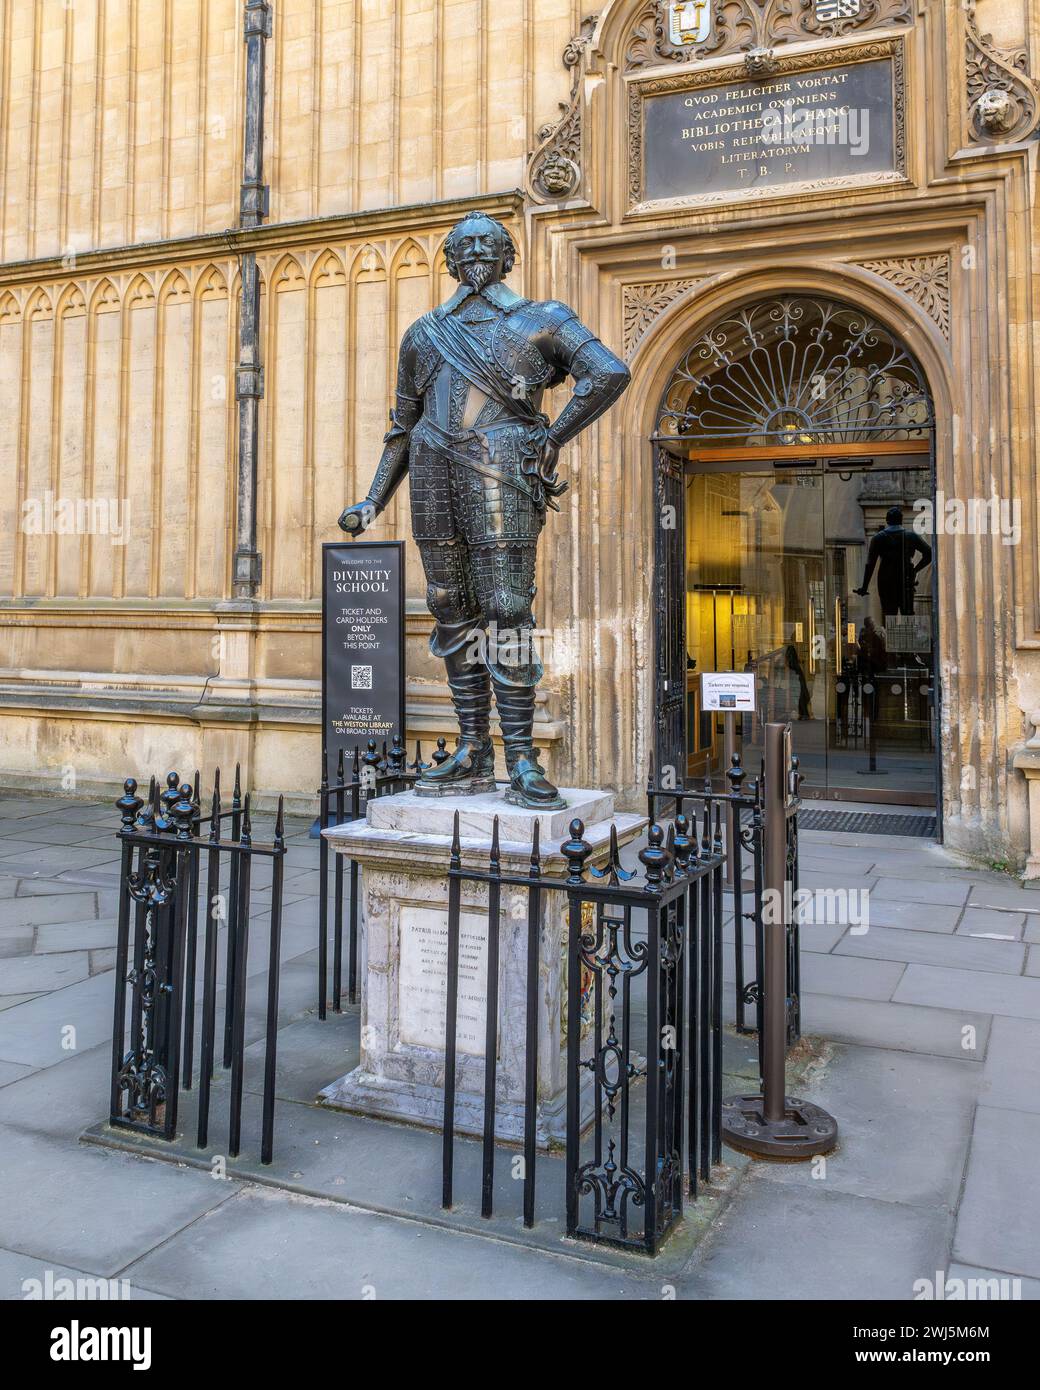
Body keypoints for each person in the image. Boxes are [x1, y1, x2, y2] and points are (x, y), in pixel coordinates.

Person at [338, 213, 630, 808]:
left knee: (505, 608)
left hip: (500, 467)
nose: (474, 252)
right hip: (431, 468)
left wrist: (554, 437)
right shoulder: (424, 333)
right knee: (451, 608)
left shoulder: (543, 318)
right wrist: (373, 498)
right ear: (449, 260)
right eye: (463, 245)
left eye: (487, 244)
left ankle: (520, 754)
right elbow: (404, 423)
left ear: (506, 257)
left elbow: (607, 373)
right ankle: (473, 748)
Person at [853, 506, 932, 616]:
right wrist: (915, 570)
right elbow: (929, 553)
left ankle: (892, 630)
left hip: (886, 579)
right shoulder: (911, 536)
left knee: (890, 615)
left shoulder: (878, 538)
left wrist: (864, 586)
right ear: (901, 520)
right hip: (905, 579)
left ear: (887, 520)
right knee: (907, 616)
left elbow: (870, 564)